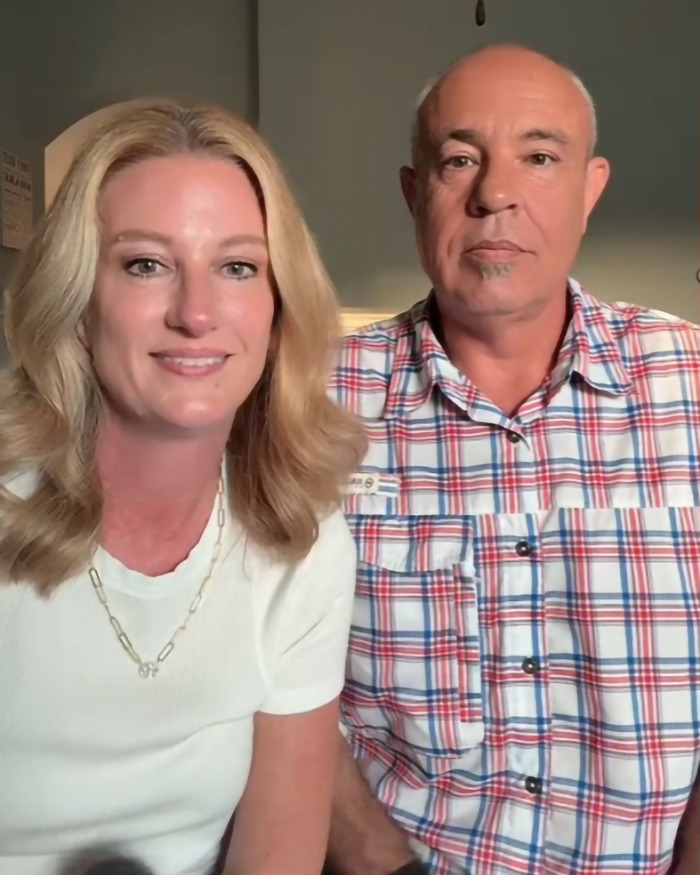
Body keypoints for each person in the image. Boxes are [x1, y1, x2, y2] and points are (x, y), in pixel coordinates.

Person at [326, 44, 700, 875]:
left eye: (539, 157)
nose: (495, 194)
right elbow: (259, 672)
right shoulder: (314, 405)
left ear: (590, 187)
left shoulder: (691, 381)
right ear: (414, 192)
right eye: (459, 160)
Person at [0, 98, 366, 875]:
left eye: (237, 266)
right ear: (77, 303)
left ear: (277, 307)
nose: (197, 313)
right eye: (145, 264)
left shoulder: (300, 534)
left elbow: (278, 853)